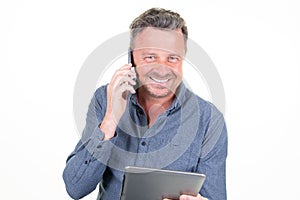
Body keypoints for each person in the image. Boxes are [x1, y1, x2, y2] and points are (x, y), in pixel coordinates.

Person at [63, 7, 228, 200]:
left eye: (172, 58)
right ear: (131, 59)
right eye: (150, 57)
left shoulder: (209, 120)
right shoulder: (105, 99)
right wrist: (111, 119)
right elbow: (75, 187)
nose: (162, 70)